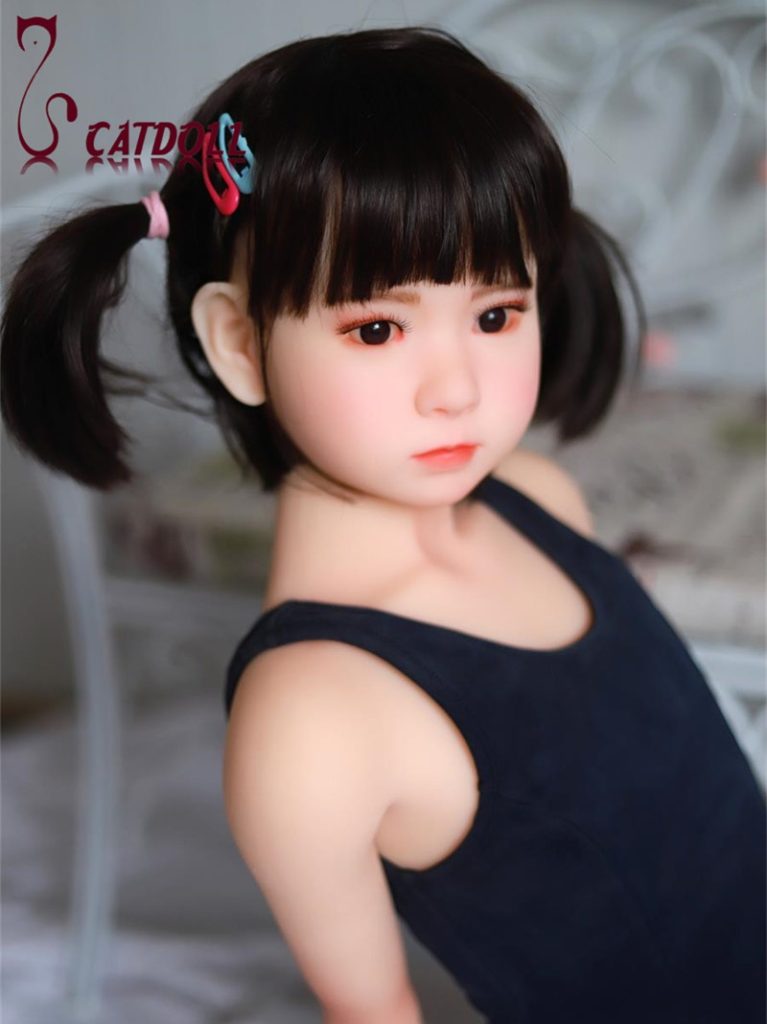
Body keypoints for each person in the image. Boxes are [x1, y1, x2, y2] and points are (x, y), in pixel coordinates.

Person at [1, 26, 764, 1024]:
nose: (455, 389)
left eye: (494, 315)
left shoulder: (537, 498)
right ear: (240, 345)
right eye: (376, 329)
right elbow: (375, 1011)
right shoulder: (312, 716)